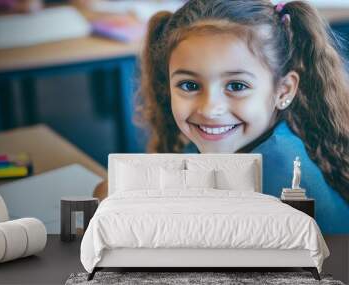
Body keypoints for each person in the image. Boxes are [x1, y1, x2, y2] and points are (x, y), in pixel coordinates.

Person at [136, 0, 349, 234]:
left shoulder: (278, 176)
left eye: (237, 86)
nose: (209, 109)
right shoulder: (235, 142)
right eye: (189, 85)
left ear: (283, 90)